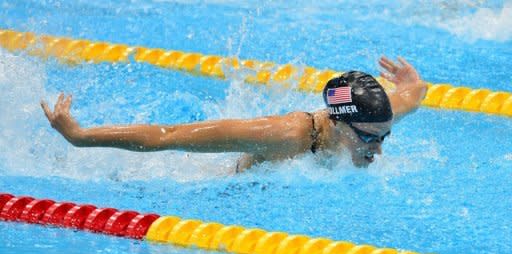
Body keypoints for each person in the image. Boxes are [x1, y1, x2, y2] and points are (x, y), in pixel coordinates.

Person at [41, 56, 427, 171]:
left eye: (384, 136)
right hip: (214, 181)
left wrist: (411, 83)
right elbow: (169, 136)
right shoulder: (285, 135)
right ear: (339, 122)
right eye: (369, 138)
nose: (378, 150)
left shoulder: (374, 118)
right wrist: (79, 136)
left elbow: (413, 94)